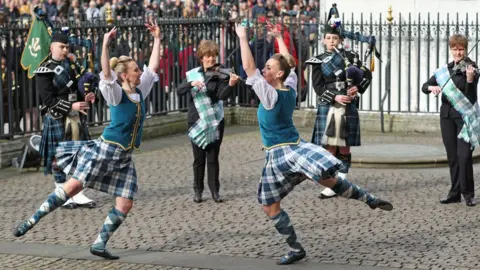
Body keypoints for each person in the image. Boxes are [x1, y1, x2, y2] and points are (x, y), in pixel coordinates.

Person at [235, 23, 393, 266]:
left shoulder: (270, 95)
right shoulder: (289, 84)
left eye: (268, 67)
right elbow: (288, 62)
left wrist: (242, 37)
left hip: (280, 155)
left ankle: (296, 248)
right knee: (328, 179)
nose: (263, 70)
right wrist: (279, 38)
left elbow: (249, 68)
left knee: (269, 205)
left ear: (278, 74)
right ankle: (368, 198)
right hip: (298, 148)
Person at [13, 21, 162, 260]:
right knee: (71, 188)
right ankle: (30, 221)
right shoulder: (115, 93)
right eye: (136, 69)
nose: (140, 72)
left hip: (123, 158)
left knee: (125, 203)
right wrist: (104, 44)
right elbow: (105, 73)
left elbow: (153, 68)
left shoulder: (139, 91)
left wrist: (157, 39)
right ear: (125, 75)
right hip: (104, 152)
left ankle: (99, 244)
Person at [307, 23, 372, 199]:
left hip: (348, 105)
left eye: (335, 38)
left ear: (341, 40)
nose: (332, 41)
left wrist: (357, 87)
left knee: (344, 146)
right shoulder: (318, 60)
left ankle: (341, 179)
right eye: (328, 38)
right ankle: (332, 181)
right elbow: (318, 86)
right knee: (329, 147)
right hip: (329, 105)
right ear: (323, 40)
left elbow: (367, 75)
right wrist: (335, 97)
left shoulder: (351, 57)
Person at [35, 31, 97, 209]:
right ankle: (61, 192)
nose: (64, 50)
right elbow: (48, 100)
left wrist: (88, 96)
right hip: (57, 117)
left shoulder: (72, 65)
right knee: (59, 158)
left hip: (76, 116)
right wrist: (71, 107)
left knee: (80, 155)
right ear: (52, 47)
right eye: (61, 47)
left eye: (67, 47)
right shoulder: (44, 70)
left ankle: (77, 192)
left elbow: (78, 89)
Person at [177, 40, 239, 203]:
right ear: (201, 58)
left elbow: (220, 96)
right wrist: (191, 84)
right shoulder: (192, 74)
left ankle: (215, 191)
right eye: (208, 56)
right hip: (196, 120)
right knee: (198, 159)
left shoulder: (219, 76)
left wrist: (231, 85)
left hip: (214, 120)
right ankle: (198, 190)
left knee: (213, 158)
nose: (211, 59)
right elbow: (179, 91)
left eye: (213, 56)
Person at [422, 34, 480, 207]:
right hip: (446, 116)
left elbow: (470, 96)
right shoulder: (445, 69)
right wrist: (431, 87)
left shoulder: (472, 67)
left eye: (461, 49)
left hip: (464, 117)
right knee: (453, 157)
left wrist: (470, 79)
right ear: (451, 49)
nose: (458, 52)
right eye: (455, 49)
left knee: (464, 156)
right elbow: (424, 86)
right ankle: (454, 193)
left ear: (465, 49)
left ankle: (468, 193)